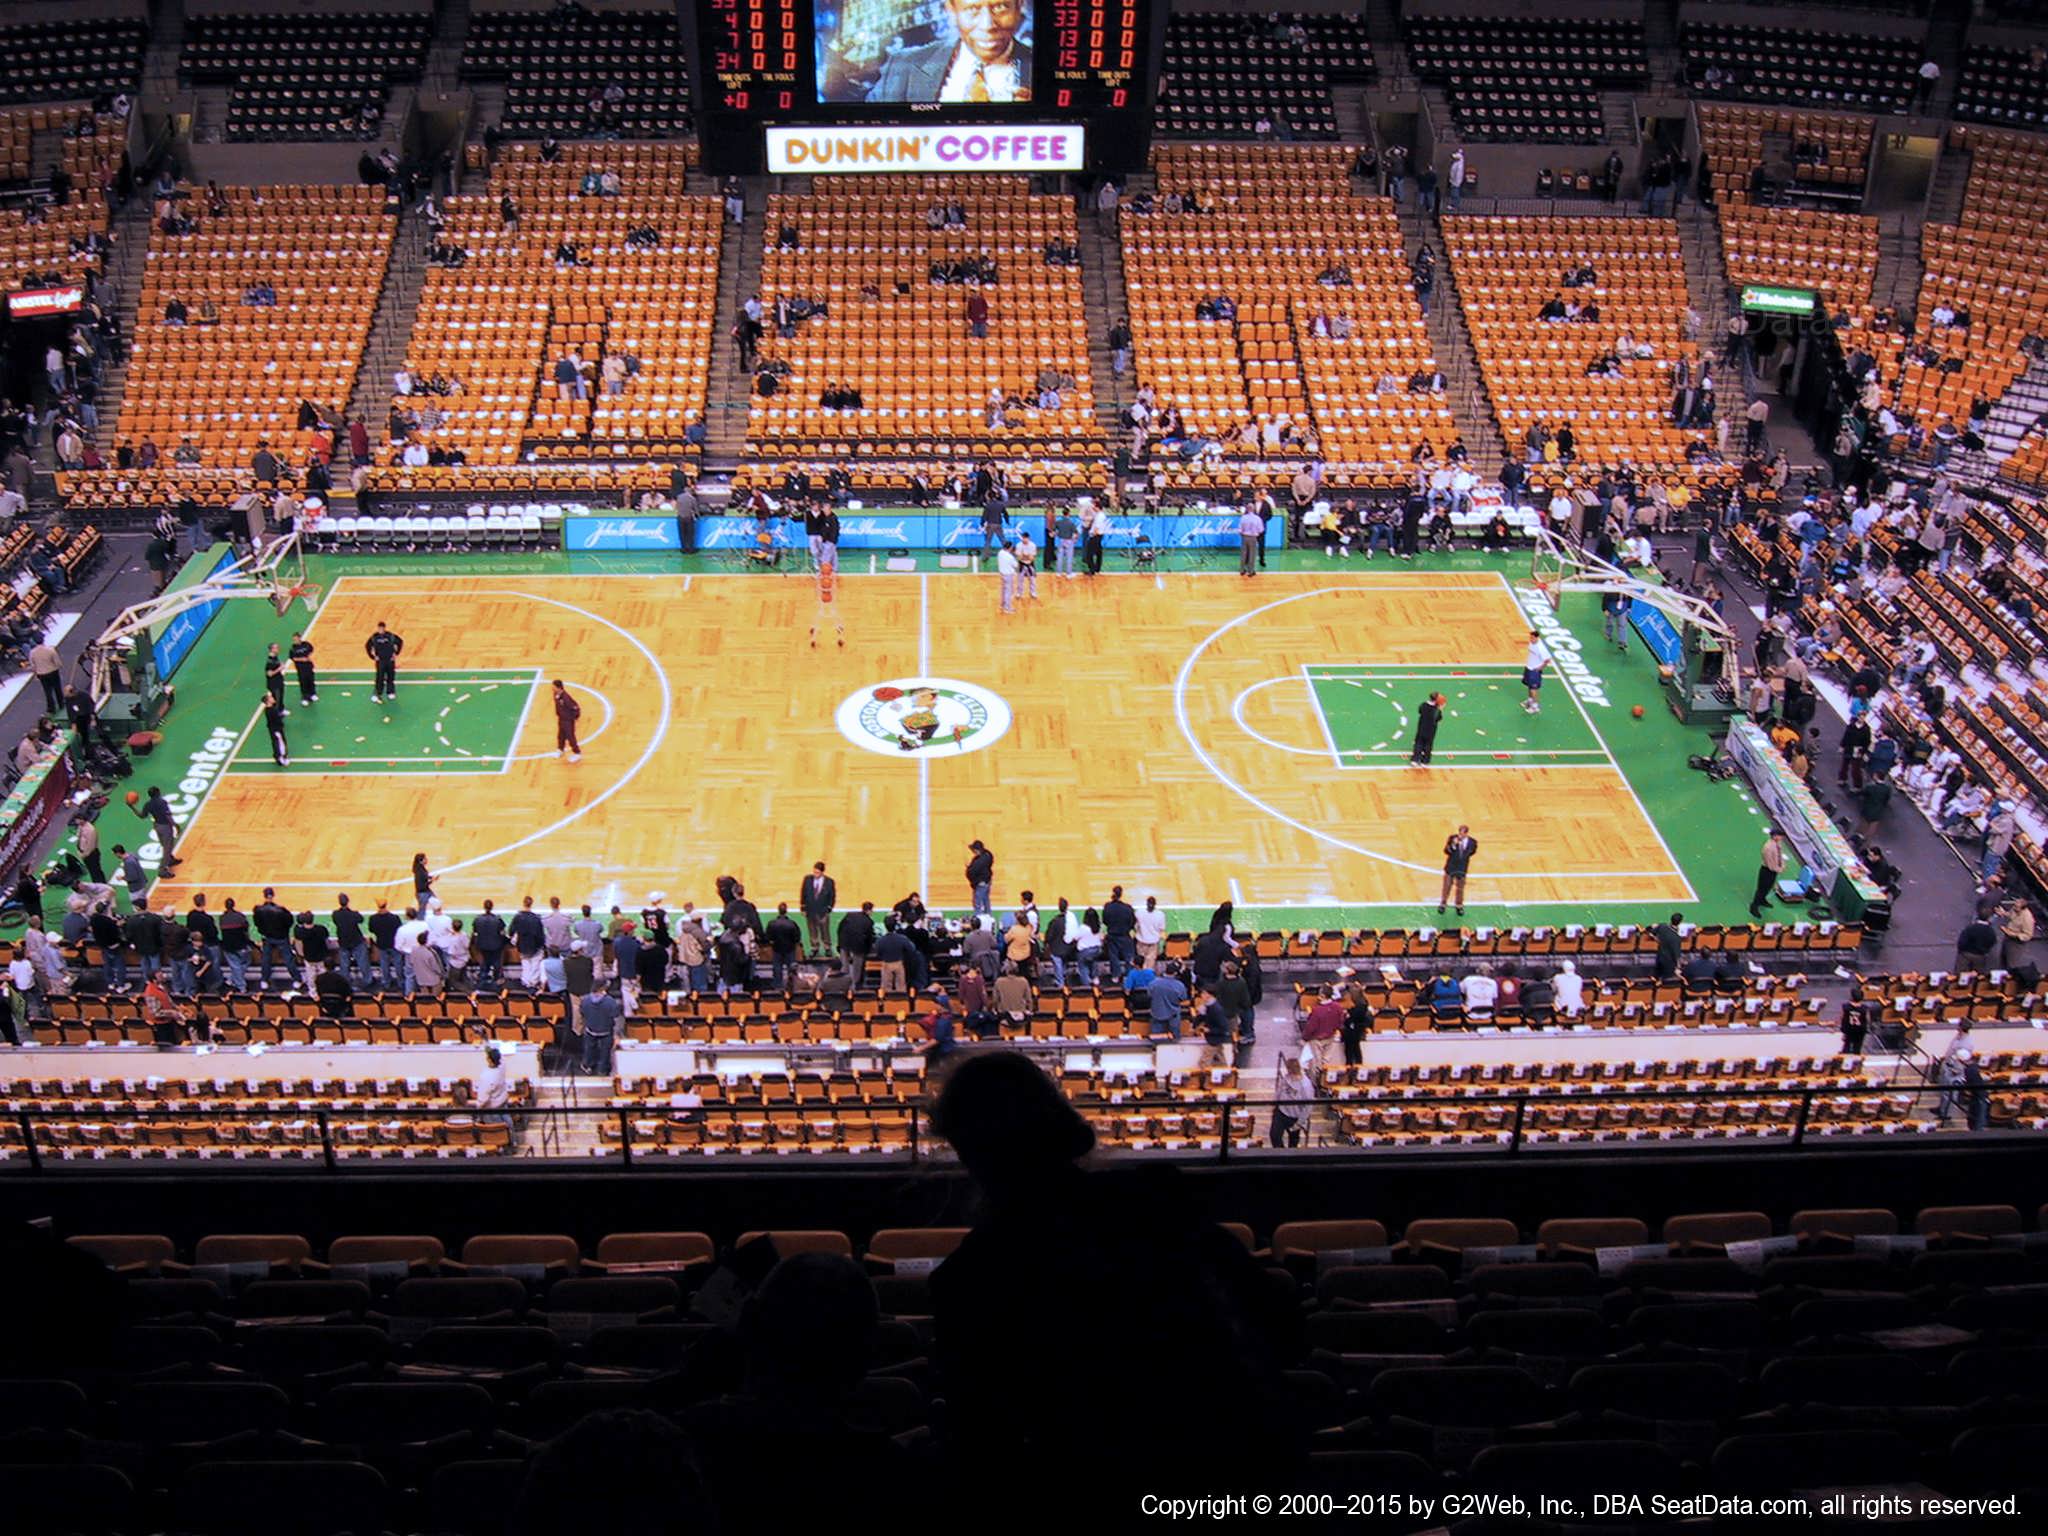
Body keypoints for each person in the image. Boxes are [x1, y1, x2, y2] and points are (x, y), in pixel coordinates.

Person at [867, 0, 1032, 103]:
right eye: (972, 9)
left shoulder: (1044, 70)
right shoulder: (904, 67)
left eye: (1000, 7)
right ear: (952, 11)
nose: (987, 25)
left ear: (1020, 7)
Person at [579, 983, 621, 1075]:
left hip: (590, 1029)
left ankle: (588, 1065)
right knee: (605, 1051)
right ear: (603, 988)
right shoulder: (611, 1002)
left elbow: (582, 1013)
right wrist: (616, 1034)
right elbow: (616, 1017)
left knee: (589, 1048)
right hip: (606, 1031)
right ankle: (602, 1069)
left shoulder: (585, 1000)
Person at [1272, 1054, 1312, 1146]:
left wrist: (1299, 1123)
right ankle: (1280, 1155)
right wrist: (1275, 1103)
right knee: (1274, 1136)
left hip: (1294, 1117)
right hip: (1281, 1112)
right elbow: (1280, 1090)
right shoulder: (1287, 1078)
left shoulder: (1305, 1085)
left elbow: (1308, 1106)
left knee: (1293, 1143)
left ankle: (1289, 1158)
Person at [800, 861, 836, 957]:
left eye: (817, 873)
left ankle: (827, 947)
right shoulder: (807, 879)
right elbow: (803, 893)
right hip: (810, 910)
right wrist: (803, 907)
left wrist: (829, 908)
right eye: (814, 872)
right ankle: (814, 947)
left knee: (825, 931)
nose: (815, 874)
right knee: (812, 930)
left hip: (823, 911)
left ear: (822, 872)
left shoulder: (829, 882)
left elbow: (832, 896)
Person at [1439, 824, 1477, 916]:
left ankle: (1459, 905)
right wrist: (1454, 845)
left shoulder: (1473, 842)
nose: (1461, 835)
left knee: (1460, 888)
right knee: (1447, 887)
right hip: (1451, 867)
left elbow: (1471, 852)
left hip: (1462, 868)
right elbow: (1446, 851)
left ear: (1466, 833)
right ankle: (1443, 904)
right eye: (1460, 833)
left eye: (1463, 834)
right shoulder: (1452, 839)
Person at [1751, 829, 1788, 918]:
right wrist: (1779, 869)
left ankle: (1762, 900)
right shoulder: (1768, 847)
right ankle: (1754, 906)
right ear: (1775, 836)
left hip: (1774, 870)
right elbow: (1769, 863)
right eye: (1780, 836)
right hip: (1767, 870)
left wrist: (1782, 865)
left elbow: (1780, 855)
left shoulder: (1777, 844)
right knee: (1762, 889)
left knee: (1768, 887)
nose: (1781, 838)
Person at [365, 619, 403, 703]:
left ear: (384, 628)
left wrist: (396, 653)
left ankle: (390, 692)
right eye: (379, 628)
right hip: (380, 661)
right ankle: (378, 693)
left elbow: (400, 642)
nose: (381, 630)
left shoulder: (390, 636)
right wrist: (372, 656)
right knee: (379, 677)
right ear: (378, 628)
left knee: (390, 677)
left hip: (390, 660)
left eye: (382, 628)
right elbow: (367, 646)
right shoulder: (374, 637)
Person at [549, 679, 581, 762]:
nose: (552, 688)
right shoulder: (556, 694)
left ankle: (577, 753)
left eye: (554, 687)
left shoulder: (566, 698)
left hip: (568, 721)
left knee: (571, 737)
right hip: (561, 719)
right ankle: (560, 749)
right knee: (561, 736)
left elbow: (575, 707)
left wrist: (575, 717)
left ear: (559, 687)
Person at [1410, 691, 1444, 765]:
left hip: (1422, 727)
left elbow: (1420, 711)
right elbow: (1438, 718)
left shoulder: (1423, 705)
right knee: (1428, 745)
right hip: (1431, 730)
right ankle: (1425, 760)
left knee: (1418, 743)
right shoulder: (1436, 710)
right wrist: (1440, 709)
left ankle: (1415, 759)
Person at [1521, 629, 1552, 714]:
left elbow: (1547, 660)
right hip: (1529, 667)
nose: (1531, 639)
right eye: (1530, 637)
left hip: (1535, 670)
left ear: (1537, 637)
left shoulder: (1541, 648)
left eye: (1532, 638)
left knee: (1533, 689)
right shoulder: (1531, 643)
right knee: (1529, 686)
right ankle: (1530, 701)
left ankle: (1535, 706)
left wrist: (1539, 668)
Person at [966, 839, 994, 917]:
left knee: (977, 903)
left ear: (977, 850)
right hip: (987, 881)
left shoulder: (979, 861)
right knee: (986, 901)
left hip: (980, 883)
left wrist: (969, 868)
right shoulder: (988, 855)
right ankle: (989, 918)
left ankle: (979, 921)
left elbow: (972, 872)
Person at [287, 632, 317, 704]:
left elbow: (311, 650)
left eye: (296, 639)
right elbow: (293, 658)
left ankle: (312, 694)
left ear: (300, 638)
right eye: (294, 639)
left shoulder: (306, 644)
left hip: (308, 665)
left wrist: (309, 656)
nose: (295, 641)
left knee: (311, 680)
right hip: (301, 668)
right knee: (303, 682)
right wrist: (302, 659)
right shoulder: (293, 648)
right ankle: (305, 697)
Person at [262, 688, 289, 767]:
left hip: (276, 729)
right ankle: (281, 759)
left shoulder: (270, 709)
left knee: (280, 743)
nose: (273, 699)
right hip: (276, 729)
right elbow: (274, 721)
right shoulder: (271, 711)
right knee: (280, 744)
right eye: (271, 698)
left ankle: (281, 757)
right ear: (268, 701)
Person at [1653, 912, 1684, 979]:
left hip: (1659, 957)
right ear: (1680, 922)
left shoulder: (1663, 926)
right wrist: (1678, 968)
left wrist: (1657, 939)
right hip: (1668, 962)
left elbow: (1652, 933)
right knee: (1667, 979)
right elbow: (1676, 955)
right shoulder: (1676, 938)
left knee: (1657, 976)